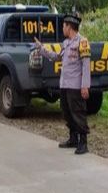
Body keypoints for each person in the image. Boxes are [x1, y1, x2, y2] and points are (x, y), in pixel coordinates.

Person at [34, 14, 91, 155]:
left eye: (64, 26)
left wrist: (85, 86)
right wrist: (42, 48)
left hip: (76, 85)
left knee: (78, 113)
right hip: (64, 84)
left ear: (70, 27)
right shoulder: (66, 43)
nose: (62, 28)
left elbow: (86, 66)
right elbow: (56, 57)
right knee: (66, 112)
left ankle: (83, 142)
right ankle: (73, 139)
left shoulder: (82, 42)